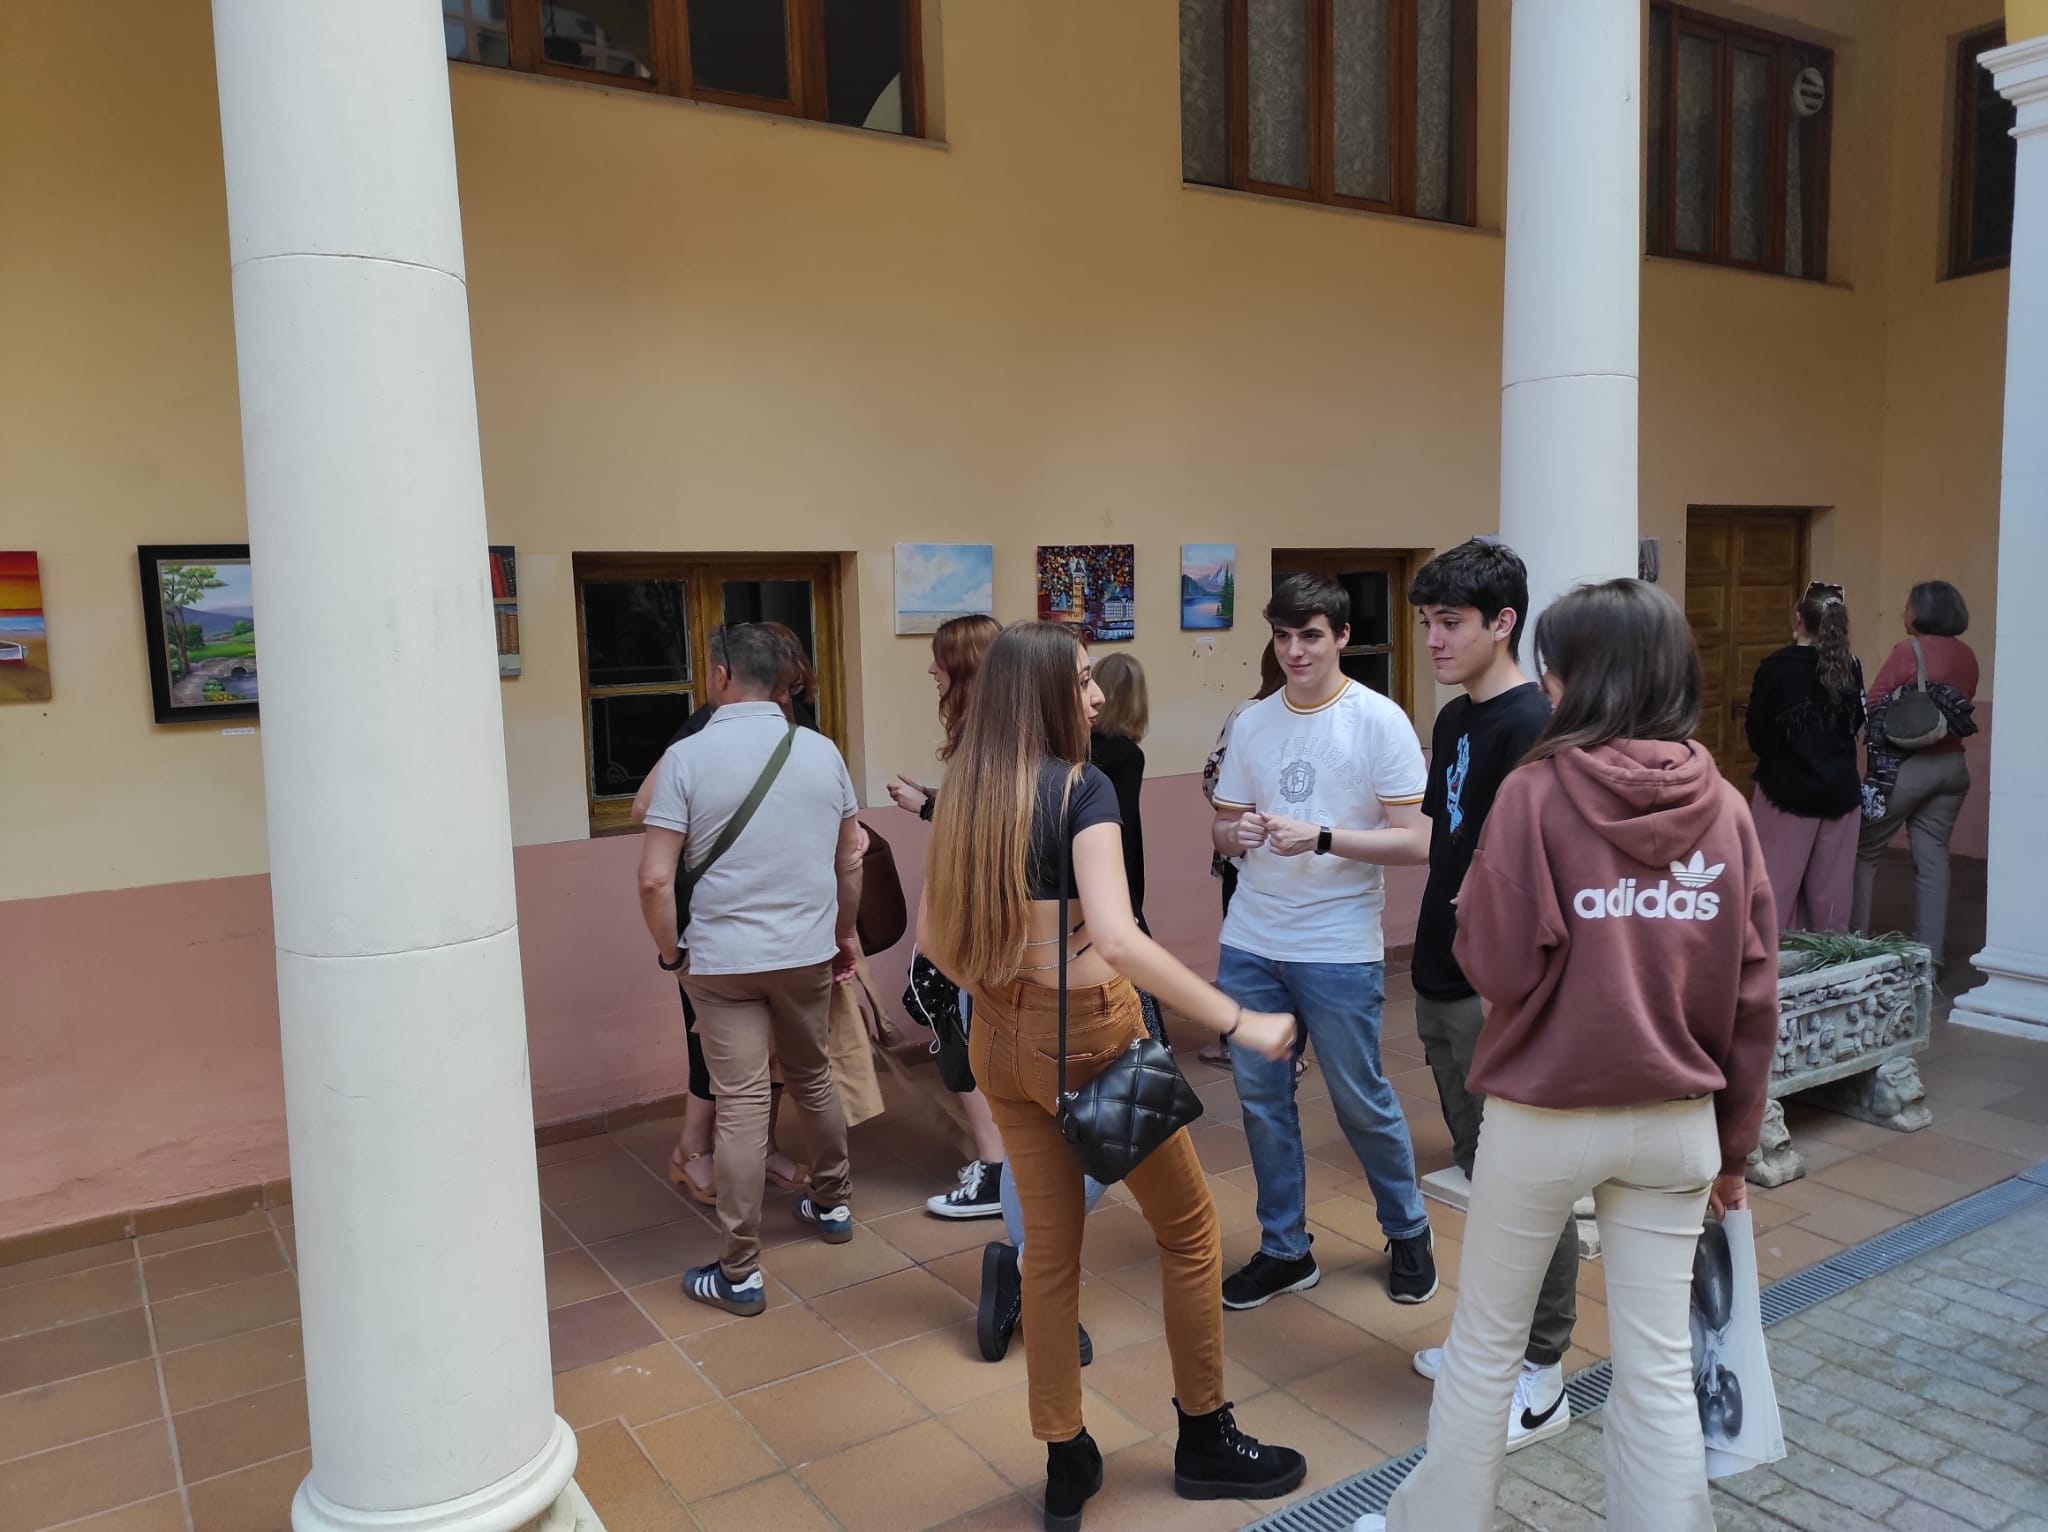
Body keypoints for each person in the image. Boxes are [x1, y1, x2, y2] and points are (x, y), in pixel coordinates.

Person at [1355, 579, 1778, 1532]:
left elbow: (1494, 964)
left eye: (1553, 661)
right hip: (1677, 1127)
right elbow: (1754, 1000)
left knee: (1485, 1349)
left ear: (1572, 675)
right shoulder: (1729, 811)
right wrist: (1736, 1153)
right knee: (1660, 1366)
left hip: (1543, 1116)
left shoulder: (1537, 794)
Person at [921, 620, 1306, 1530]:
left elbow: (939, 946)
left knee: (1048, 1258)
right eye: (1083, 681)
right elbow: (1123, 937)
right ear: (1047, 693)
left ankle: (1066, 1460)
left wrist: (1019, 975)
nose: (1095, 697)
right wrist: (1240, 1020)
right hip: (1089, 1038)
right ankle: (1206, 1437)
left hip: (1001, 1043)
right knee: (1192, 1232)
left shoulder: (967, 790)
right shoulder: (1080, 788)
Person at [1210, 574, 1436, 1310]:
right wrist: (1235, 832)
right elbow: (1222, 826)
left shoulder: (1379, 721)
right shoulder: (1252, 722)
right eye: (1282, 636)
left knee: (1358, 1098)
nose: (1295, 650)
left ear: (1341, 636)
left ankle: (1407, 1231)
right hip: (1251, 939)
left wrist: (1326, 836)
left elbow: (1416, 843)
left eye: (1310, 635)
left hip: (1337, 946)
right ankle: (1284, 1249)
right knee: (1261, 1100)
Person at [636, 623, 865, 1317]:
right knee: (814, 1075)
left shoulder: (687, 757)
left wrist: (672, 952)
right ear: (782, 680)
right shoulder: (823, 754)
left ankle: (740, 1272)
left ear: (721, 676)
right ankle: (832, 1203)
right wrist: (844, 934)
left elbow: (653, 879)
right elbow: (850, 857)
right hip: (804, 951)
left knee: (741, 1102)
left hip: (722, 960)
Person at [1404, 538, 1575, 1452]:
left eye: (1451, 623)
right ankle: (1491, 1343)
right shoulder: (1452, 723)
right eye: (1426, 623)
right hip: (1441, 976)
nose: (1432, 640)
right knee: (1484, 1179)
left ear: (1503, 623)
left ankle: (1542, 1374)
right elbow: (1447, 847)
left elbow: (1535, 879)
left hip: (1495, 992)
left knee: (1526, 1186)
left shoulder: (1527, 727)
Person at [633, 627, 817, 1203]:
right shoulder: (705, 728)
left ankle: (762, 1148)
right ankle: (693, 1150)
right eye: (786, 684)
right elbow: (645, 806)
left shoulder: (799, 726)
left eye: (795, 689)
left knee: (777, 1053)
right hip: (715, 921)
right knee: (711, 1046)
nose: (788, 698)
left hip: (784, 920)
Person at [886, 614, 1016, 1223]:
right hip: (986, 913)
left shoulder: (987, 739)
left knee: (958, 1029)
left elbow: (984, 833)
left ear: (963, 668)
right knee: (966, 1028)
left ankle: (994, 1170)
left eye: (940, 659)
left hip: (977, 918)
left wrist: (926, 808)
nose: (931, 669)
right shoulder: (1001, 732)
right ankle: (1006, 1162)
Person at [1852, 580, 1979, 971]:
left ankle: (1852, 945)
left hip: (1907, 769)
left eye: (1907, 605)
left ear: (1922, 611)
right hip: (1952, 768)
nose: (1902, 612)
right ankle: (1931, 954)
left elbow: (1873, 702)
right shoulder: (1967, 656)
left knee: (1864, 850)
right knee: (1934, 858)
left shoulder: (1910, 651)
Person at [1747, 582, 1864, 932]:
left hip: (1785, 792)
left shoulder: (1777, 668)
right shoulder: (1851, 668)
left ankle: (1771, 971)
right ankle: (1829, 971)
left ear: (1799, 619)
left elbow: (1757, 732)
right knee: (1832, 896)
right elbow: (1855, 723)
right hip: (1840, 794)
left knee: (1774, 889)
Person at [1197, 642, 1284, 1067]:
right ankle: (1285, 1043)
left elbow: (1213, 780)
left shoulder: (1247, 712)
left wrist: (1241, 810)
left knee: (1245, 949)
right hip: (1274, 853)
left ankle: (1241, 1041)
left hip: (1248, 853)